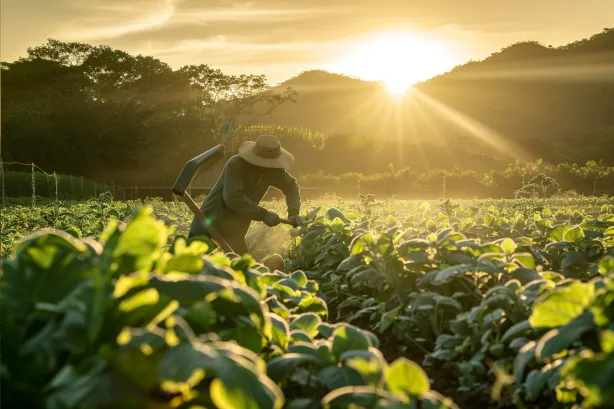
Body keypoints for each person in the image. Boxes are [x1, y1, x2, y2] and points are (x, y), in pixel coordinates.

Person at [188, 134, 302, 256]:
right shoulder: (236, 164)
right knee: (189, 263)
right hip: (210, 221)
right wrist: (264, 214)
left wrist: (293, 212)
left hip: (235, 230)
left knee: (243, 267)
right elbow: (233, 198)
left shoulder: (274, 170)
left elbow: (291, 186)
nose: (267, 166)